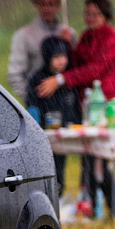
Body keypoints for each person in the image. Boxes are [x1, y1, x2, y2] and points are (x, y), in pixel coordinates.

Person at [37, 0, 115, 218]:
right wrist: (69, 44)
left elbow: (95, 69)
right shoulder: (86, 36)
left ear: (106, 15)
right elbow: (77, 63)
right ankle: (97, 209)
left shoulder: (111, 38)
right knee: (90, 159)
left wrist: (62, 79)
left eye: (95, 13)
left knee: (100, 160)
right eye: (87, 13)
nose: (90, 17)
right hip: (86, 105)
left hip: (106, 104)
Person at [26, 36, 80, 196]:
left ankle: (60, 195)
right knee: (47, 168)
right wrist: (35, 127)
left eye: (63, 56)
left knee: (60, 167)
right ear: (47, 57)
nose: (61, 61)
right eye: (56, 57)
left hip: (65, 133)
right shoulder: (38, 79)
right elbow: (32, 105)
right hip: (46, 135)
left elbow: (74, 105)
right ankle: (49, 196)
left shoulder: (68, 80)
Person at [7, 0, 75, 101]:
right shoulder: (23, 35)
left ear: (59, 5)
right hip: (38, 104)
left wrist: (70, 45)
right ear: (36, 5)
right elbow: (15, 75)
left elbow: (76, 68)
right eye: (43, 4)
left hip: (66, 103)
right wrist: (31, 99)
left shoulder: (69, 33)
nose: (47, 9)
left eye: (51, 4)